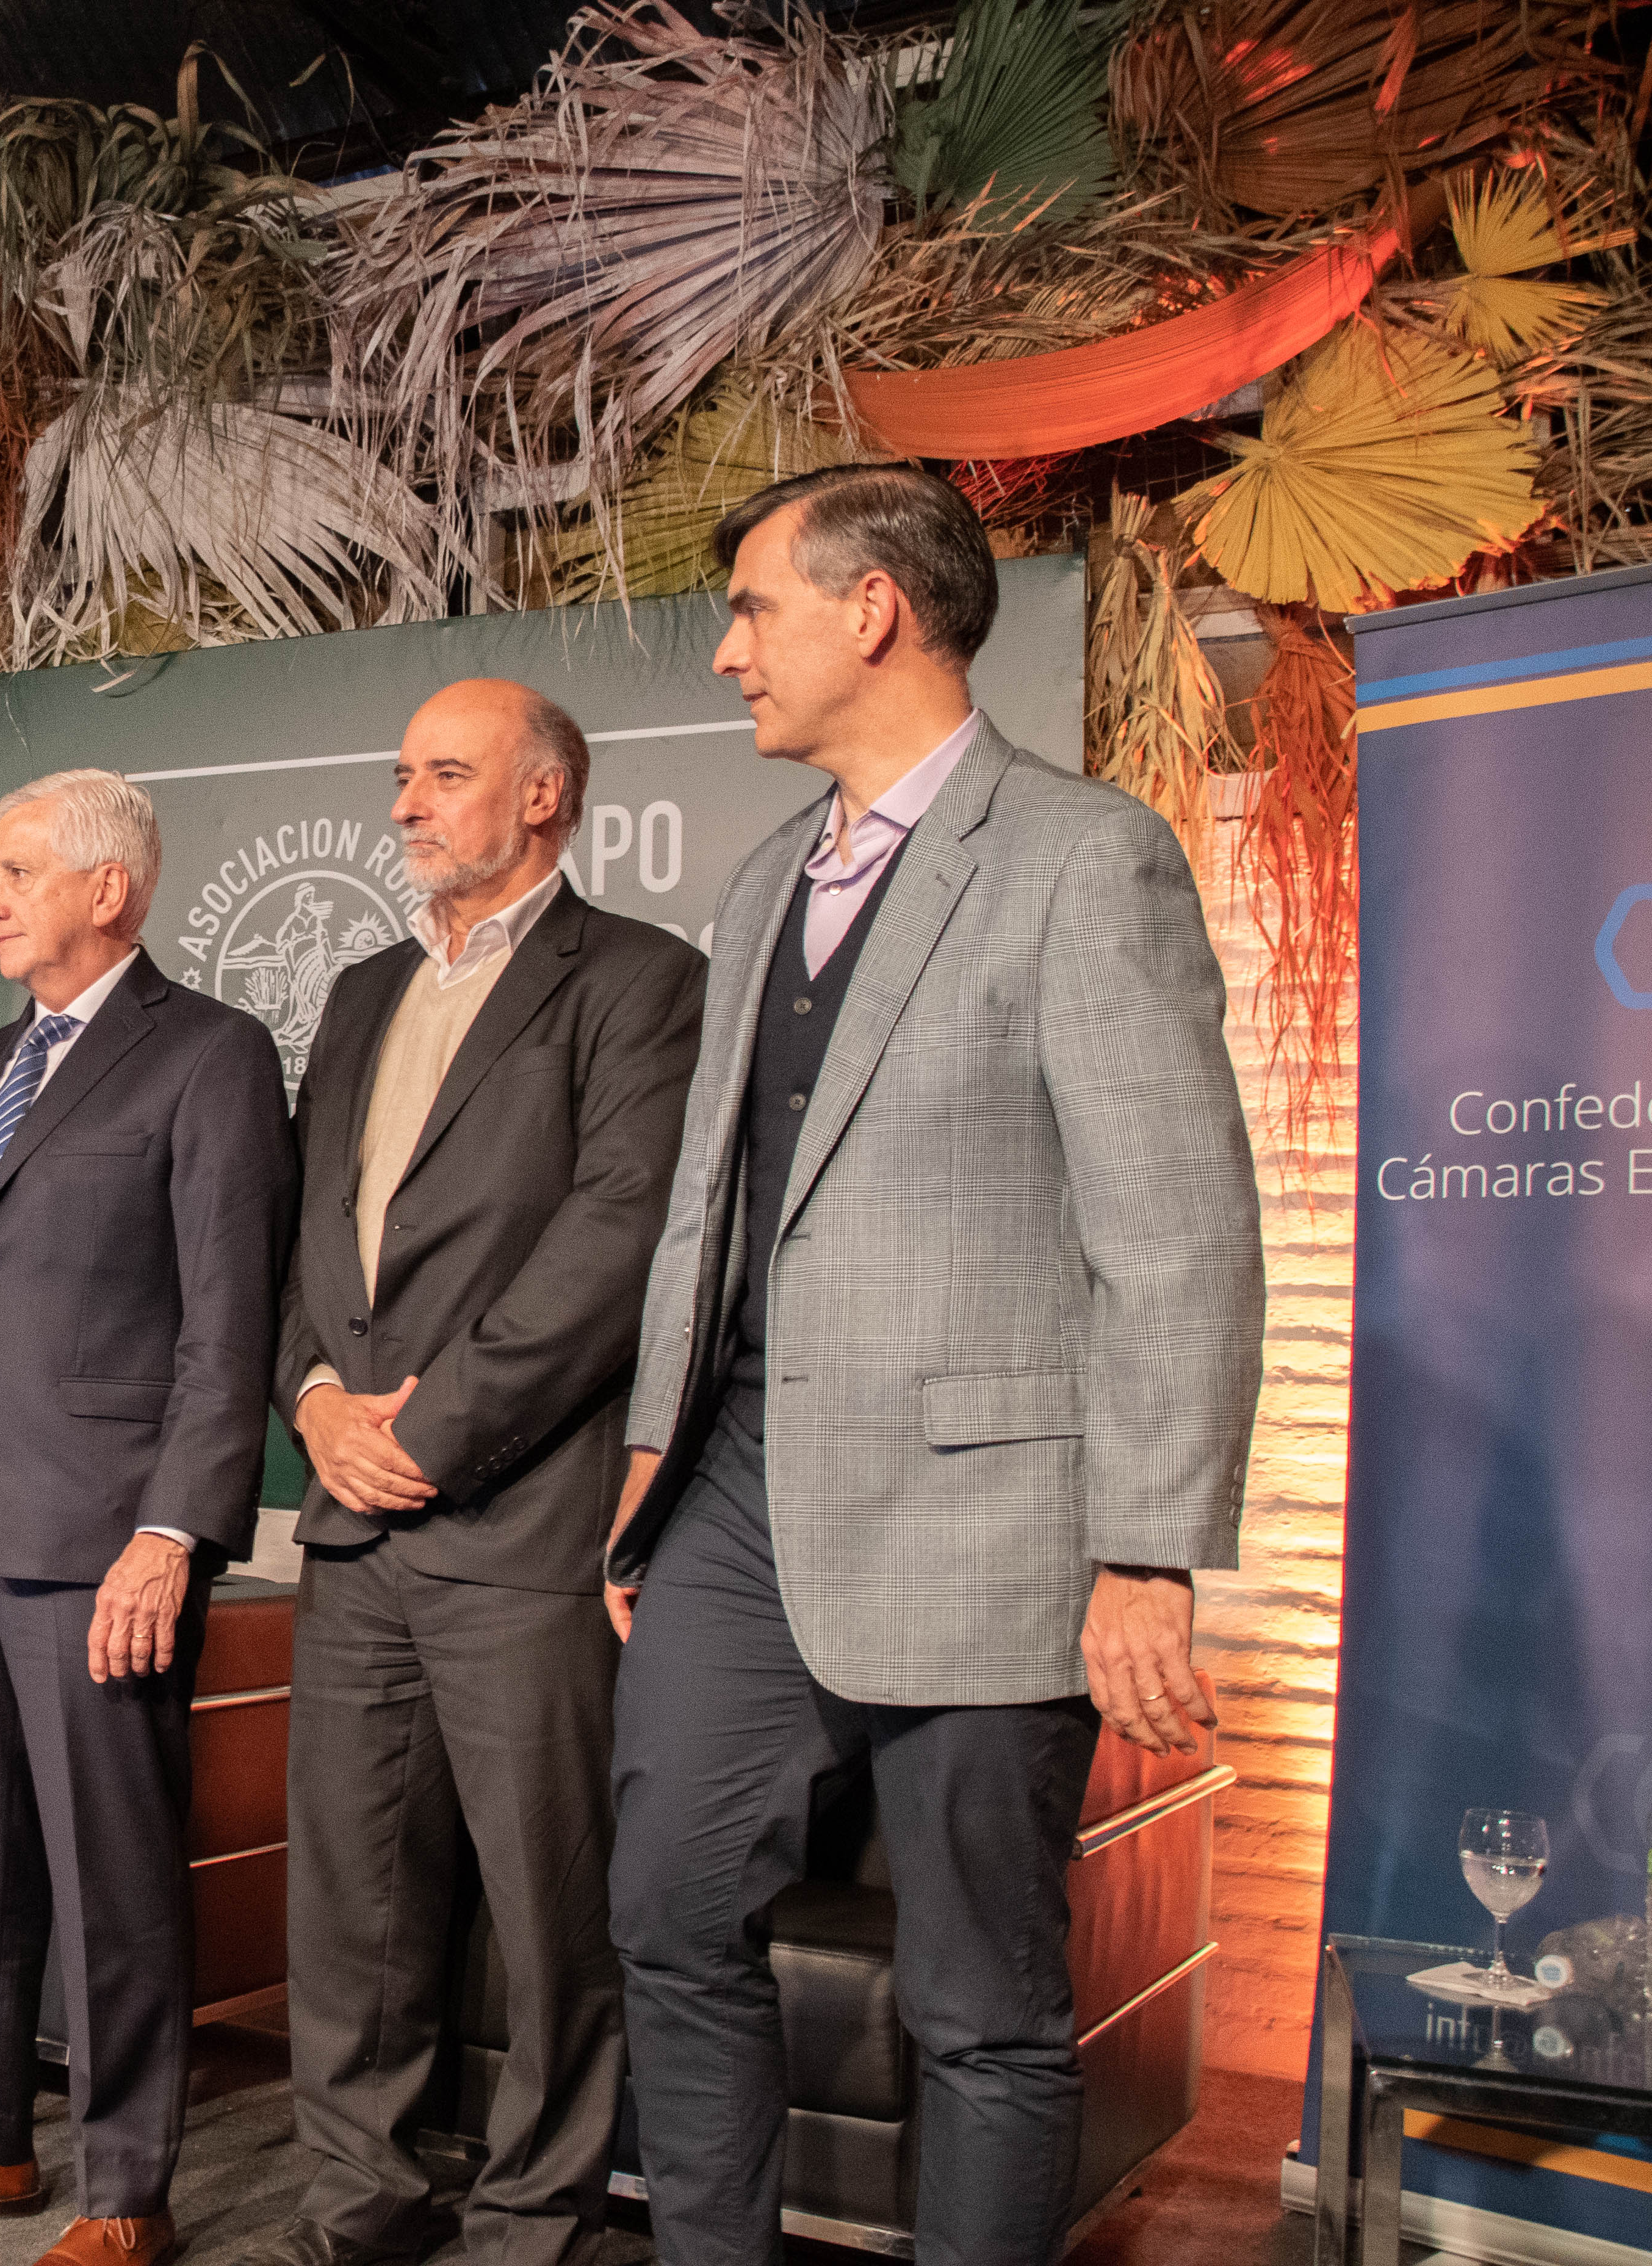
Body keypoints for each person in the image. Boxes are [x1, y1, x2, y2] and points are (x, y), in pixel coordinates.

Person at [604, 465, 1263, 2264]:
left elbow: (1180, 1237)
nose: (731, 651)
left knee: (980, 2001)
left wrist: (1146, 1551)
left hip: (990, 1517)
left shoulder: (1080, 856)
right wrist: (648, 1496)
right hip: (733, 1504)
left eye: (753, 608)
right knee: (667, 1913)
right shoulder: (755, 891)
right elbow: (709, 1220)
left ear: (872, 608)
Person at [240, 682, 704, 2266]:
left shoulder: (642, 983)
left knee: (549, 1897)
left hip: (517, 1521)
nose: (407, 806)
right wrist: (313, 1402)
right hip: (351, 1527)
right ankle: (360, 2195)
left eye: (446, 775)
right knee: (351, 1898)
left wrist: (421, 1437)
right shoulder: (364, 989)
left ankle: (534, 2217)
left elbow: (615, 1243)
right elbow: (306, 1234)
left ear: (547, 796)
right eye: (402, 777)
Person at [0, 770, 297, 2266]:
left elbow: (230, 1324)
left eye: (17, 871)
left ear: (110, 887)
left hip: (101, 1543)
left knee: (111, 1879)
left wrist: (174, 1533)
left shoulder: (210, 1055)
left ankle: (125, 2187)